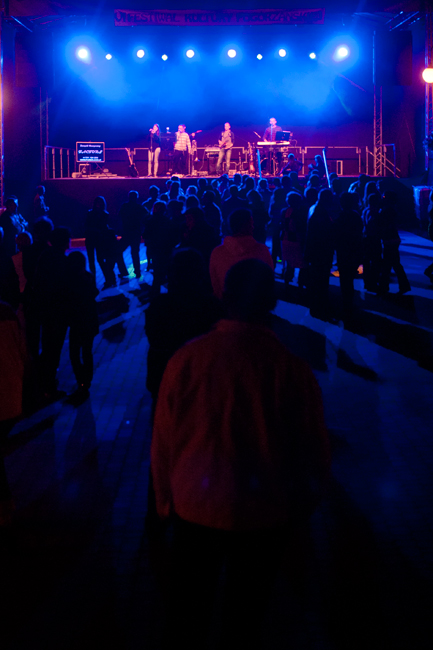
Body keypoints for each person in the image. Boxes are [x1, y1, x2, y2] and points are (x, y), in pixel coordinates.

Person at [151, 258, 330, 650]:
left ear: (224, 296)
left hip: (195, 506)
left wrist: (165, 501)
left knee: (187, 616)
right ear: (272, 301)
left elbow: (163, 439)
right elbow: (314, 449)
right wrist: (300, 508)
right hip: (263, 510)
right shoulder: (291, 369)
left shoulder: (187, 360)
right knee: (245, 620)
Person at [34, 227, 70, 399]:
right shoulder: (61, 260)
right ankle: (48, 387)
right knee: (53, 349)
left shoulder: (46, 255)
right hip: (57, 311)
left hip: (45, 308)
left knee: (48, 346)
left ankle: (43, 382)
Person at [209, 208, 273, 300]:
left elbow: (215, 284)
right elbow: (269, 280)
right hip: (255, 303)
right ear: (248, 226)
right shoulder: (262, 250)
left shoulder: (217, 252)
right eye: (251, 223)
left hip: (226, 303)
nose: (253, 227)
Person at [66, 252, 100, 400]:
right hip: (90, 320)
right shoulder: (88, 277)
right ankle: (86, 382)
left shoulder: (71, 280)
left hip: (77, 322)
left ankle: (82, 381)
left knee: (74, 353)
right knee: (87, 352)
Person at [304, 189, 335, 320]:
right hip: (321, 250)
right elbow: (321, 233)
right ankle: (320, 306)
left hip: (315, 250)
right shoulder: (320, 212)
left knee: (317, 277)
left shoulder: (314, 208)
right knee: (321, 278)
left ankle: (316, 305)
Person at [334, 192, 363, 322]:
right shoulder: (356, 216)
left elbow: (335, 233)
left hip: (343, 250)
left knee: (345, 278)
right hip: (354, 249)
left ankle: (346, 303)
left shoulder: (339, 216)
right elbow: (359, 232)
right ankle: (349, 302)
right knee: (350, 276)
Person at [377, 191, 411, 295]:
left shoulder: (387, 210)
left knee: (389, 264)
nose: (383, 198)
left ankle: (385, 287)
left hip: (389, 239)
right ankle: (402, 286)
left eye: (384, 196)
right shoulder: (392, 209)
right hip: (393, 239)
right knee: (394, 263)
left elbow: (385, 225)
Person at [280, 192, 308, 288]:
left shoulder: (284, 211)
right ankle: (301, 283)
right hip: (297, 239)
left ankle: (287, 282)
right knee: (302, 262)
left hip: (285, 238)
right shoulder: (300, 212)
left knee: (289, 262)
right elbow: (301, 227)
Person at [118, 191, 146, 279]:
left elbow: (119, 217)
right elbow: (146, 215)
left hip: (127, 232)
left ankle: (124, 271)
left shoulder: (125, 206)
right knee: (135, 253)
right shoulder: (139, 207)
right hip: (136, 233)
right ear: (137, 197)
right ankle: (137, 272)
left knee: (118, 251)